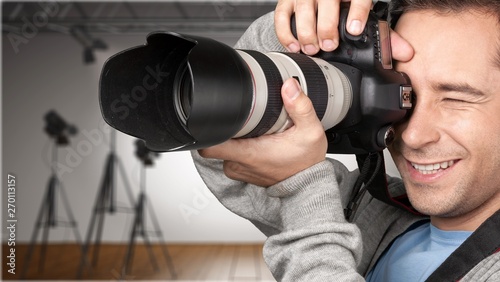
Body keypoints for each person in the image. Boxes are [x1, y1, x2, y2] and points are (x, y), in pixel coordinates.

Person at [192, 0, 500, 281]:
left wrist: (302, 187)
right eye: (403, 96)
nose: (413, 135)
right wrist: (292, 31)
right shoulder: (374, 213)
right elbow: (225, 154)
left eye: (455, 99)